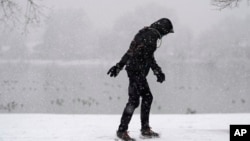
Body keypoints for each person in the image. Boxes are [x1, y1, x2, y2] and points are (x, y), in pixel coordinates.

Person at [107, 18, 174, 141]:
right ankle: (123, 131)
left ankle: (144, 129)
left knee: (147, 97)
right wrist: (157, 71)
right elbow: (148, 57)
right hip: (136, 72)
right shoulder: (152, 35)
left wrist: (119, 66)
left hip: (135, 71)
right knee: (134, 101)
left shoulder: (144, 32)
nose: (165, 35)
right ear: (163, 29)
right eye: (166, 33)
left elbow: (130, 51)